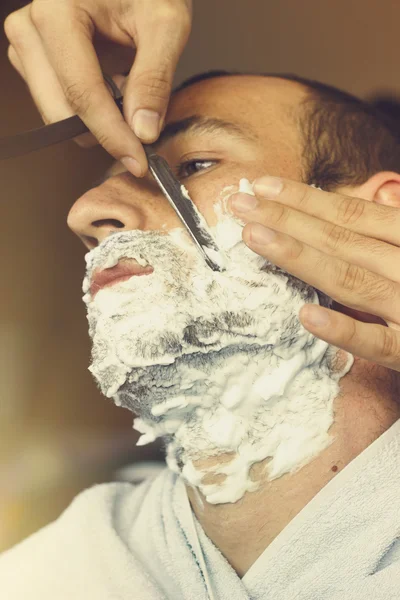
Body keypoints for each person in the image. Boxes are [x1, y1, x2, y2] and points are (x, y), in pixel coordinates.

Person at [2, 2, 400, 599]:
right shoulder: (46, 574)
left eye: (196, 163)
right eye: (104, 181)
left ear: (380, 219)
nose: (85, 213)